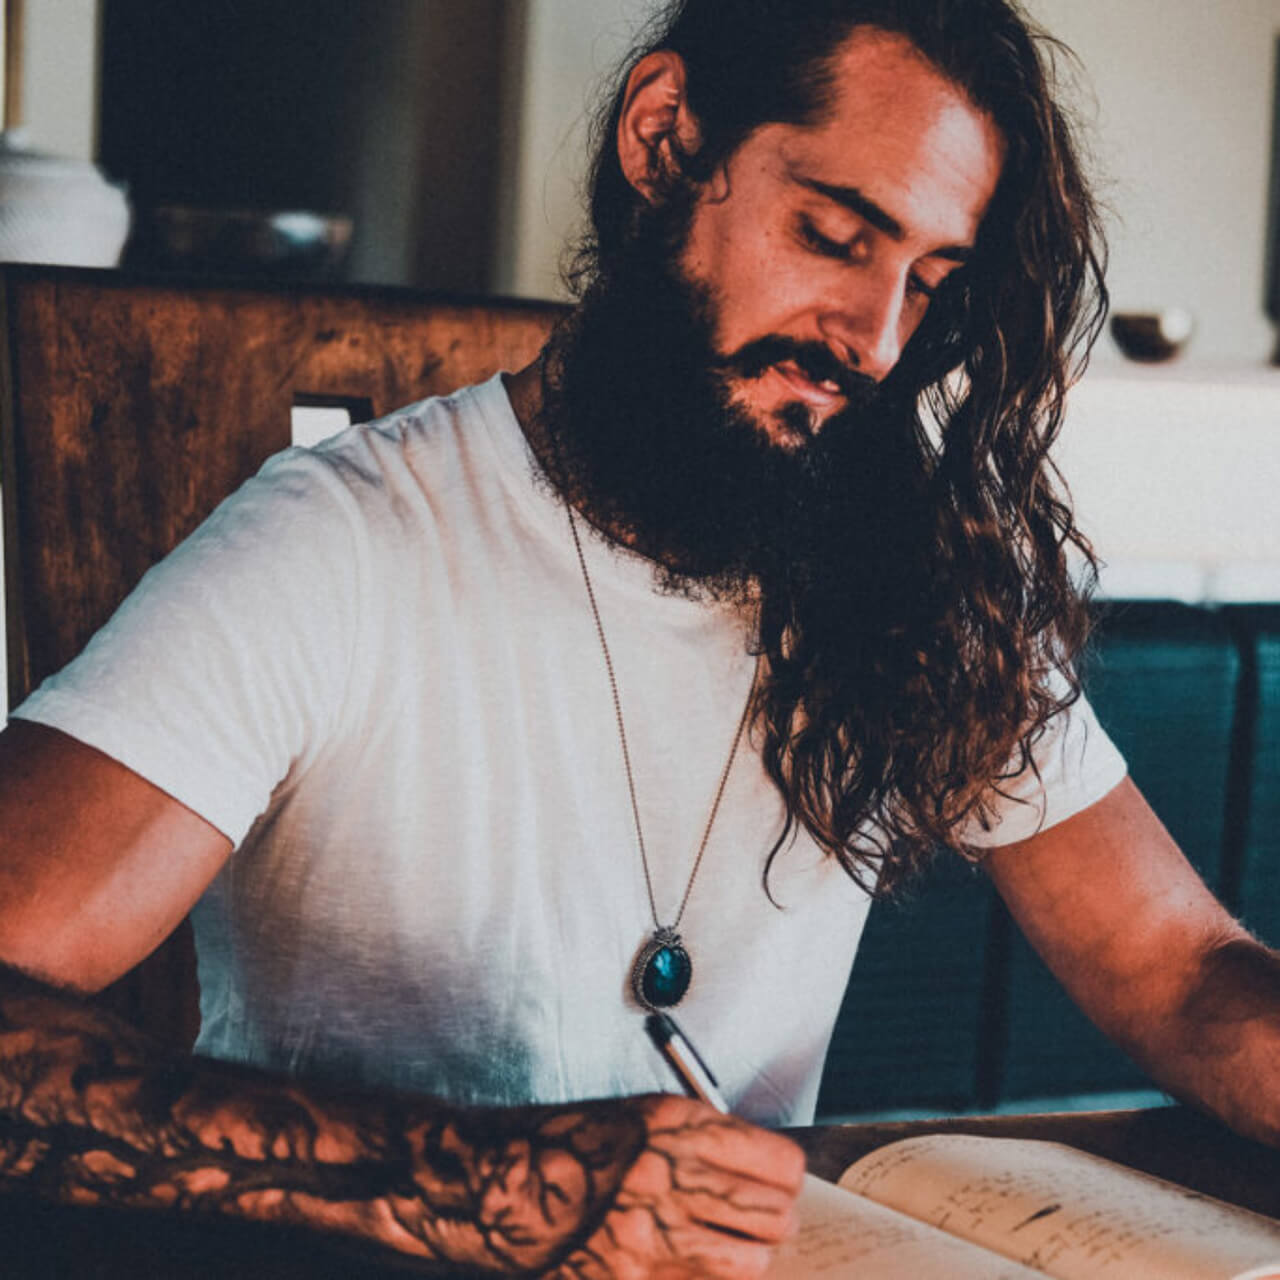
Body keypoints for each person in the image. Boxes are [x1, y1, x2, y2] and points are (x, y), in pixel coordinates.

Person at [2, 1, 1278, 1276]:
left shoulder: (910, 563)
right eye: (833, 237)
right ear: (663, 138)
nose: (875, 340)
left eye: (926, 283)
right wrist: (485, 1182)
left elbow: (1170, 965)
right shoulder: (335, 544)